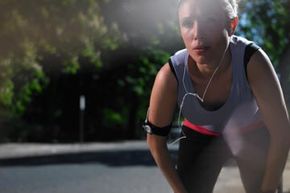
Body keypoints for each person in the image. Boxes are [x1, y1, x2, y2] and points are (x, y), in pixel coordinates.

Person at [143, 0, 290, 193]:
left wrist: (268, 189)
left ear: (232, 26)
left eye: (209, 21)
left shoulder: (253, 61)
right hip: (199, 134)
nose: (197, 34)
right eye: (188, 23)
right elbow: (155, 141)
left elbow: (282, 133)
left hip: (252, 133)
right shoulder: (170, 75)